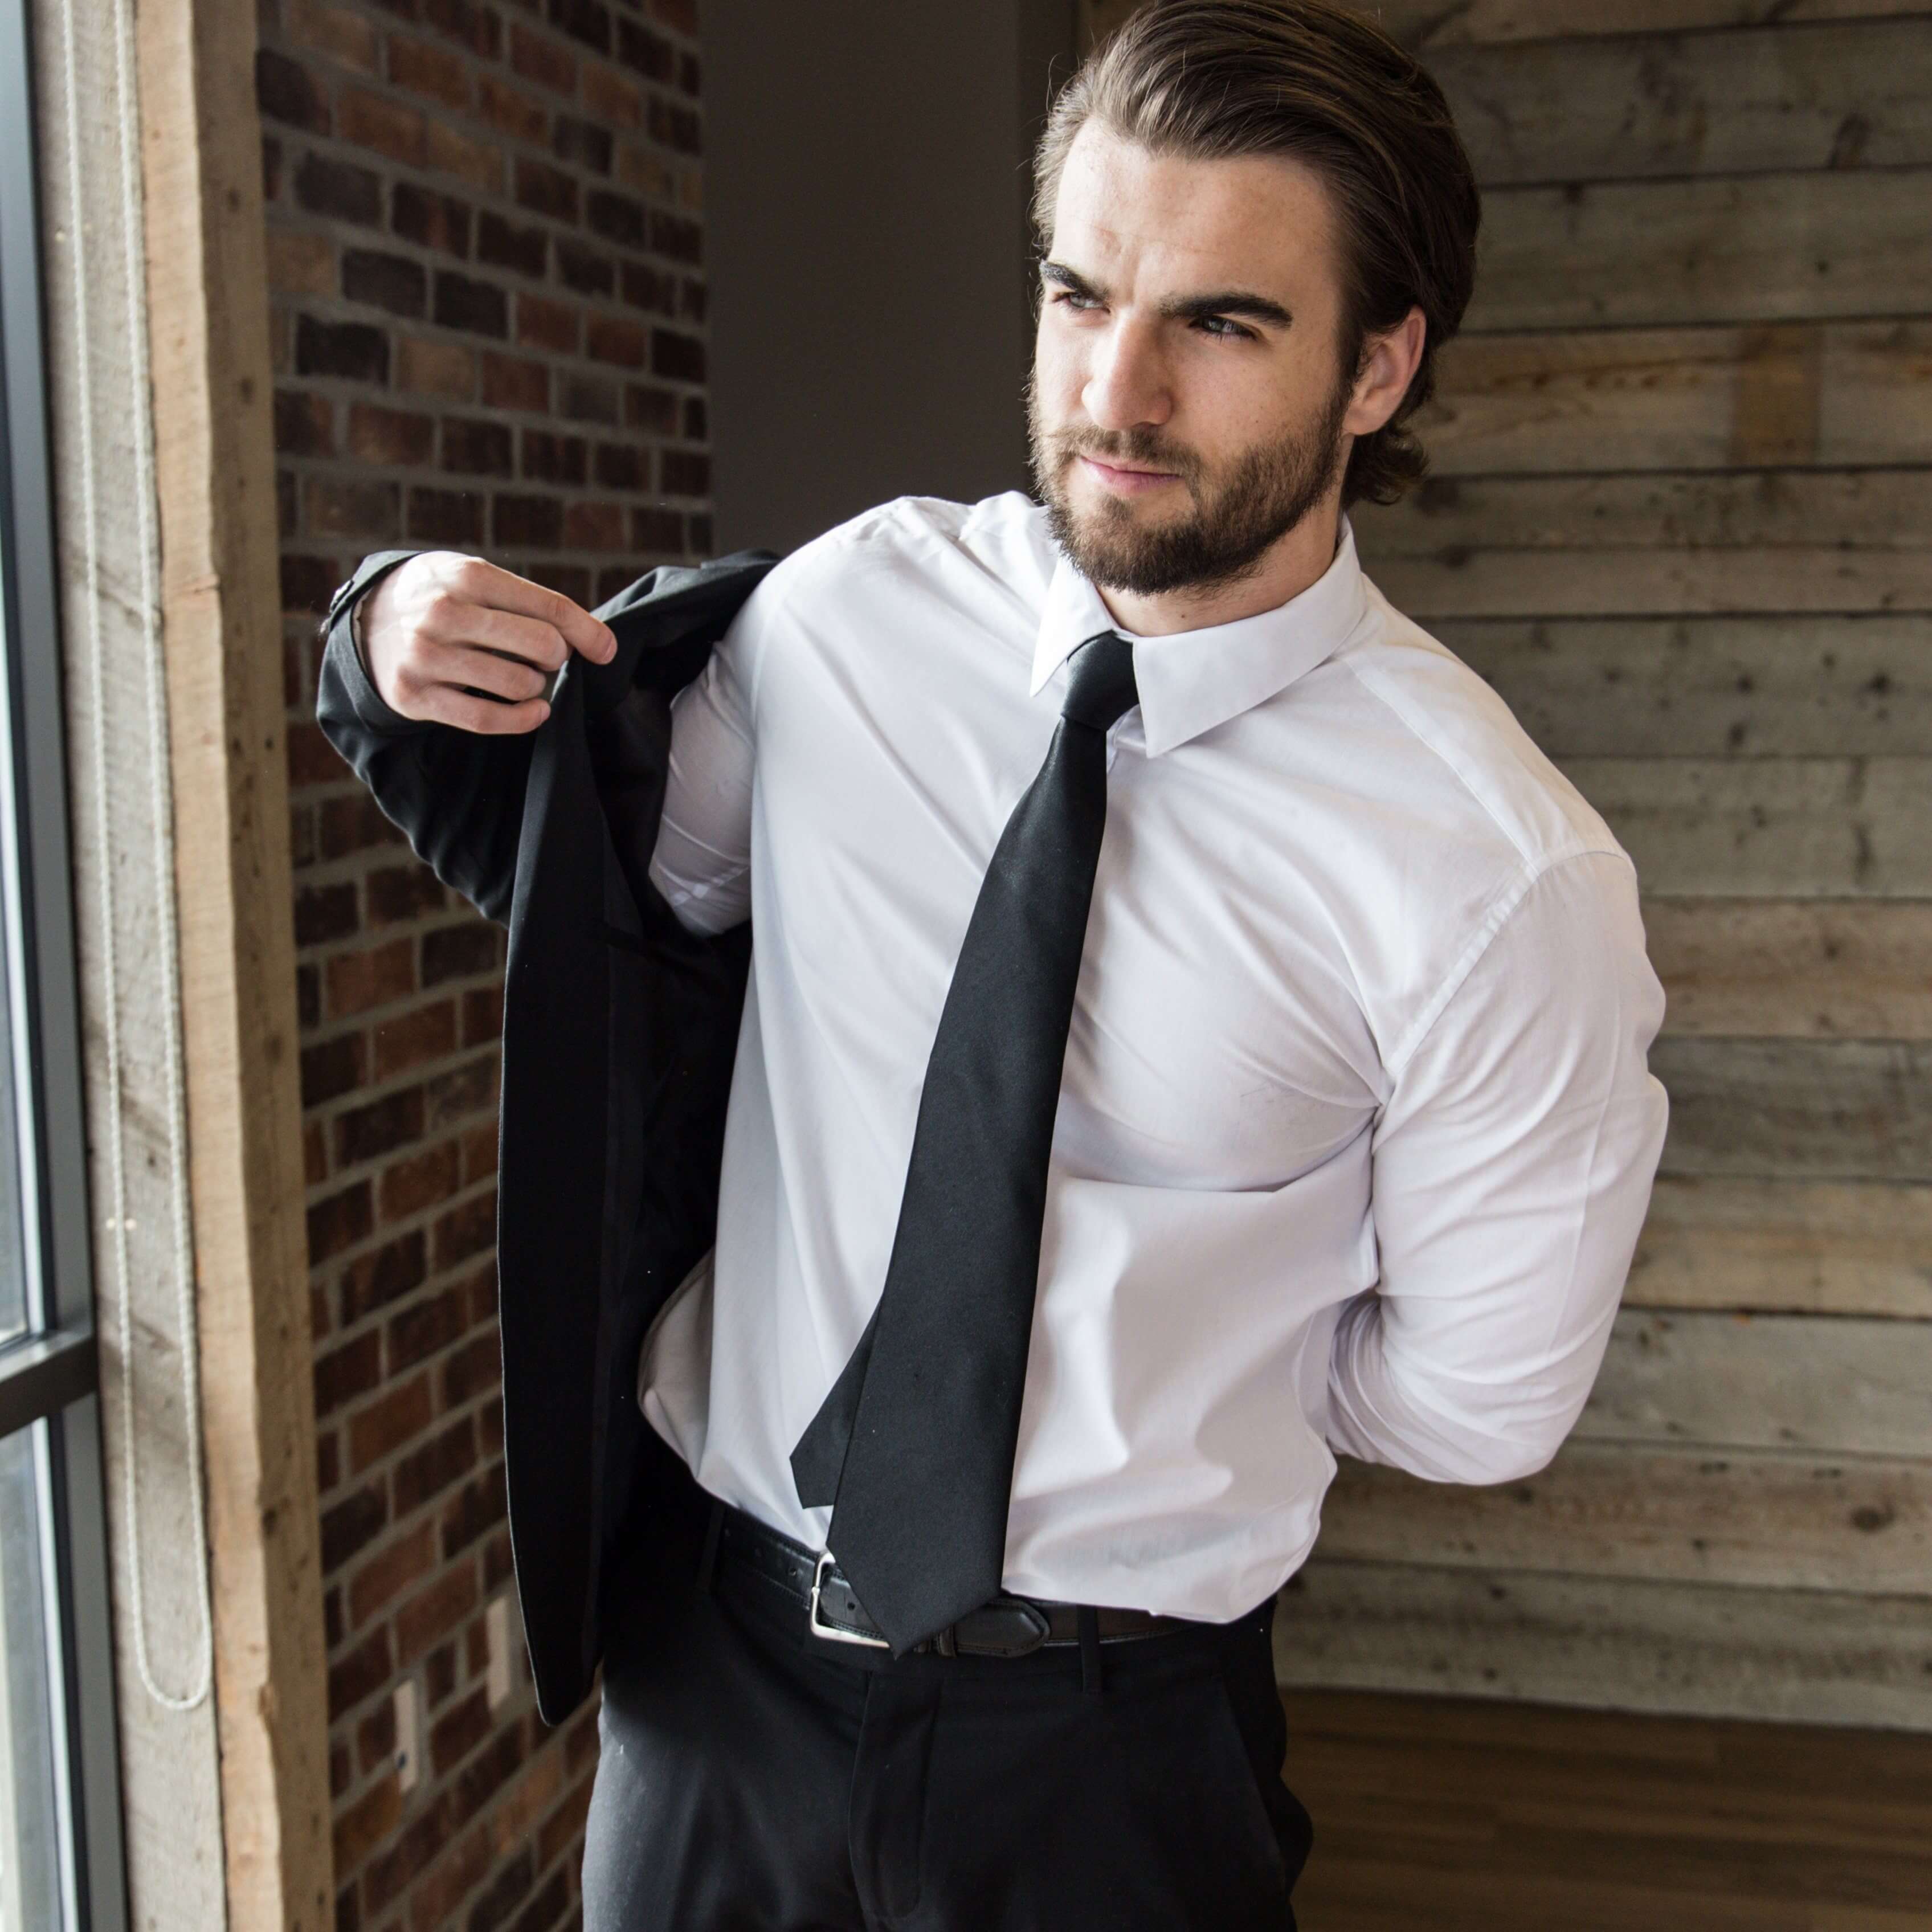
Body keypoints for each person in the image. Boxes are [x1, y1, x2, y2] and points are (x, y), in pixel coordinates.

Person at [320, 2, 1668, 1925]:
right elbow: (644, 912)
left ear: (1379, 368)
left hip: (1112, 1759)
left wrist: (1200, 1339)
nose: (1117, 391)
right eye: (1079, 290)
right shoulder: (855, 613)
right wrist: (391, 629)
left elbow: (1474, 1403)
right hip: (719, 1687)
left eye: (1223, 321)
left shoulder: (1495, 877)